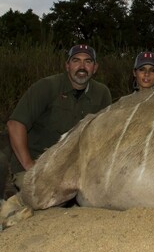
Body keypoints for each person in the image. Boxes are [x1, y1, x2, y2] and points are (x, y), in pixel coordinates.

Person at [6, 44, 112, 190]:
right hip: (37, 164)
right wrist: (30, 166)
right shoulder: (46, 86)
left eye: (88, 61)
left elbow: (104, 136)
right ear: (67, 66)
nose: (82, 66)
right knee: (39, 197)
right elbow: (15, 124)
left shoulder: (102, 93)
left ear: (95, 68)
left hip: (74, 169)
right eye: (76, 60)